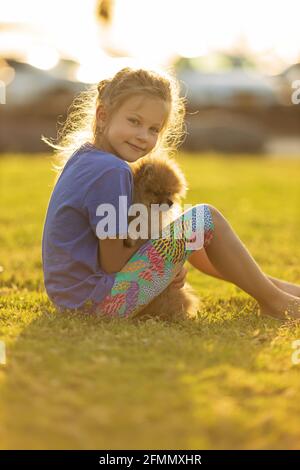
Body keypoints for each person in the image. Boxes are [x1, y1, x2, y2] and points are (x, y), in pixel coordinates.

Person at [42, 67, 300, 320]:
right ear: (102, 115)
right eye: (134, 121)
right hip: (98, 302)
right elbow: (112, 262)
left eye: (154, 129)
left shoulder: (86, 158)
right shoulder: (111, 170)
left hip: (75, 300)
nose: (143, 136)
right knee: (204, 218)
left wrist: (166, 252)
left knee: (187, 230)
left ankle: (277, 290)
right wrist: (167, 263)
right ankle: (276, 303)